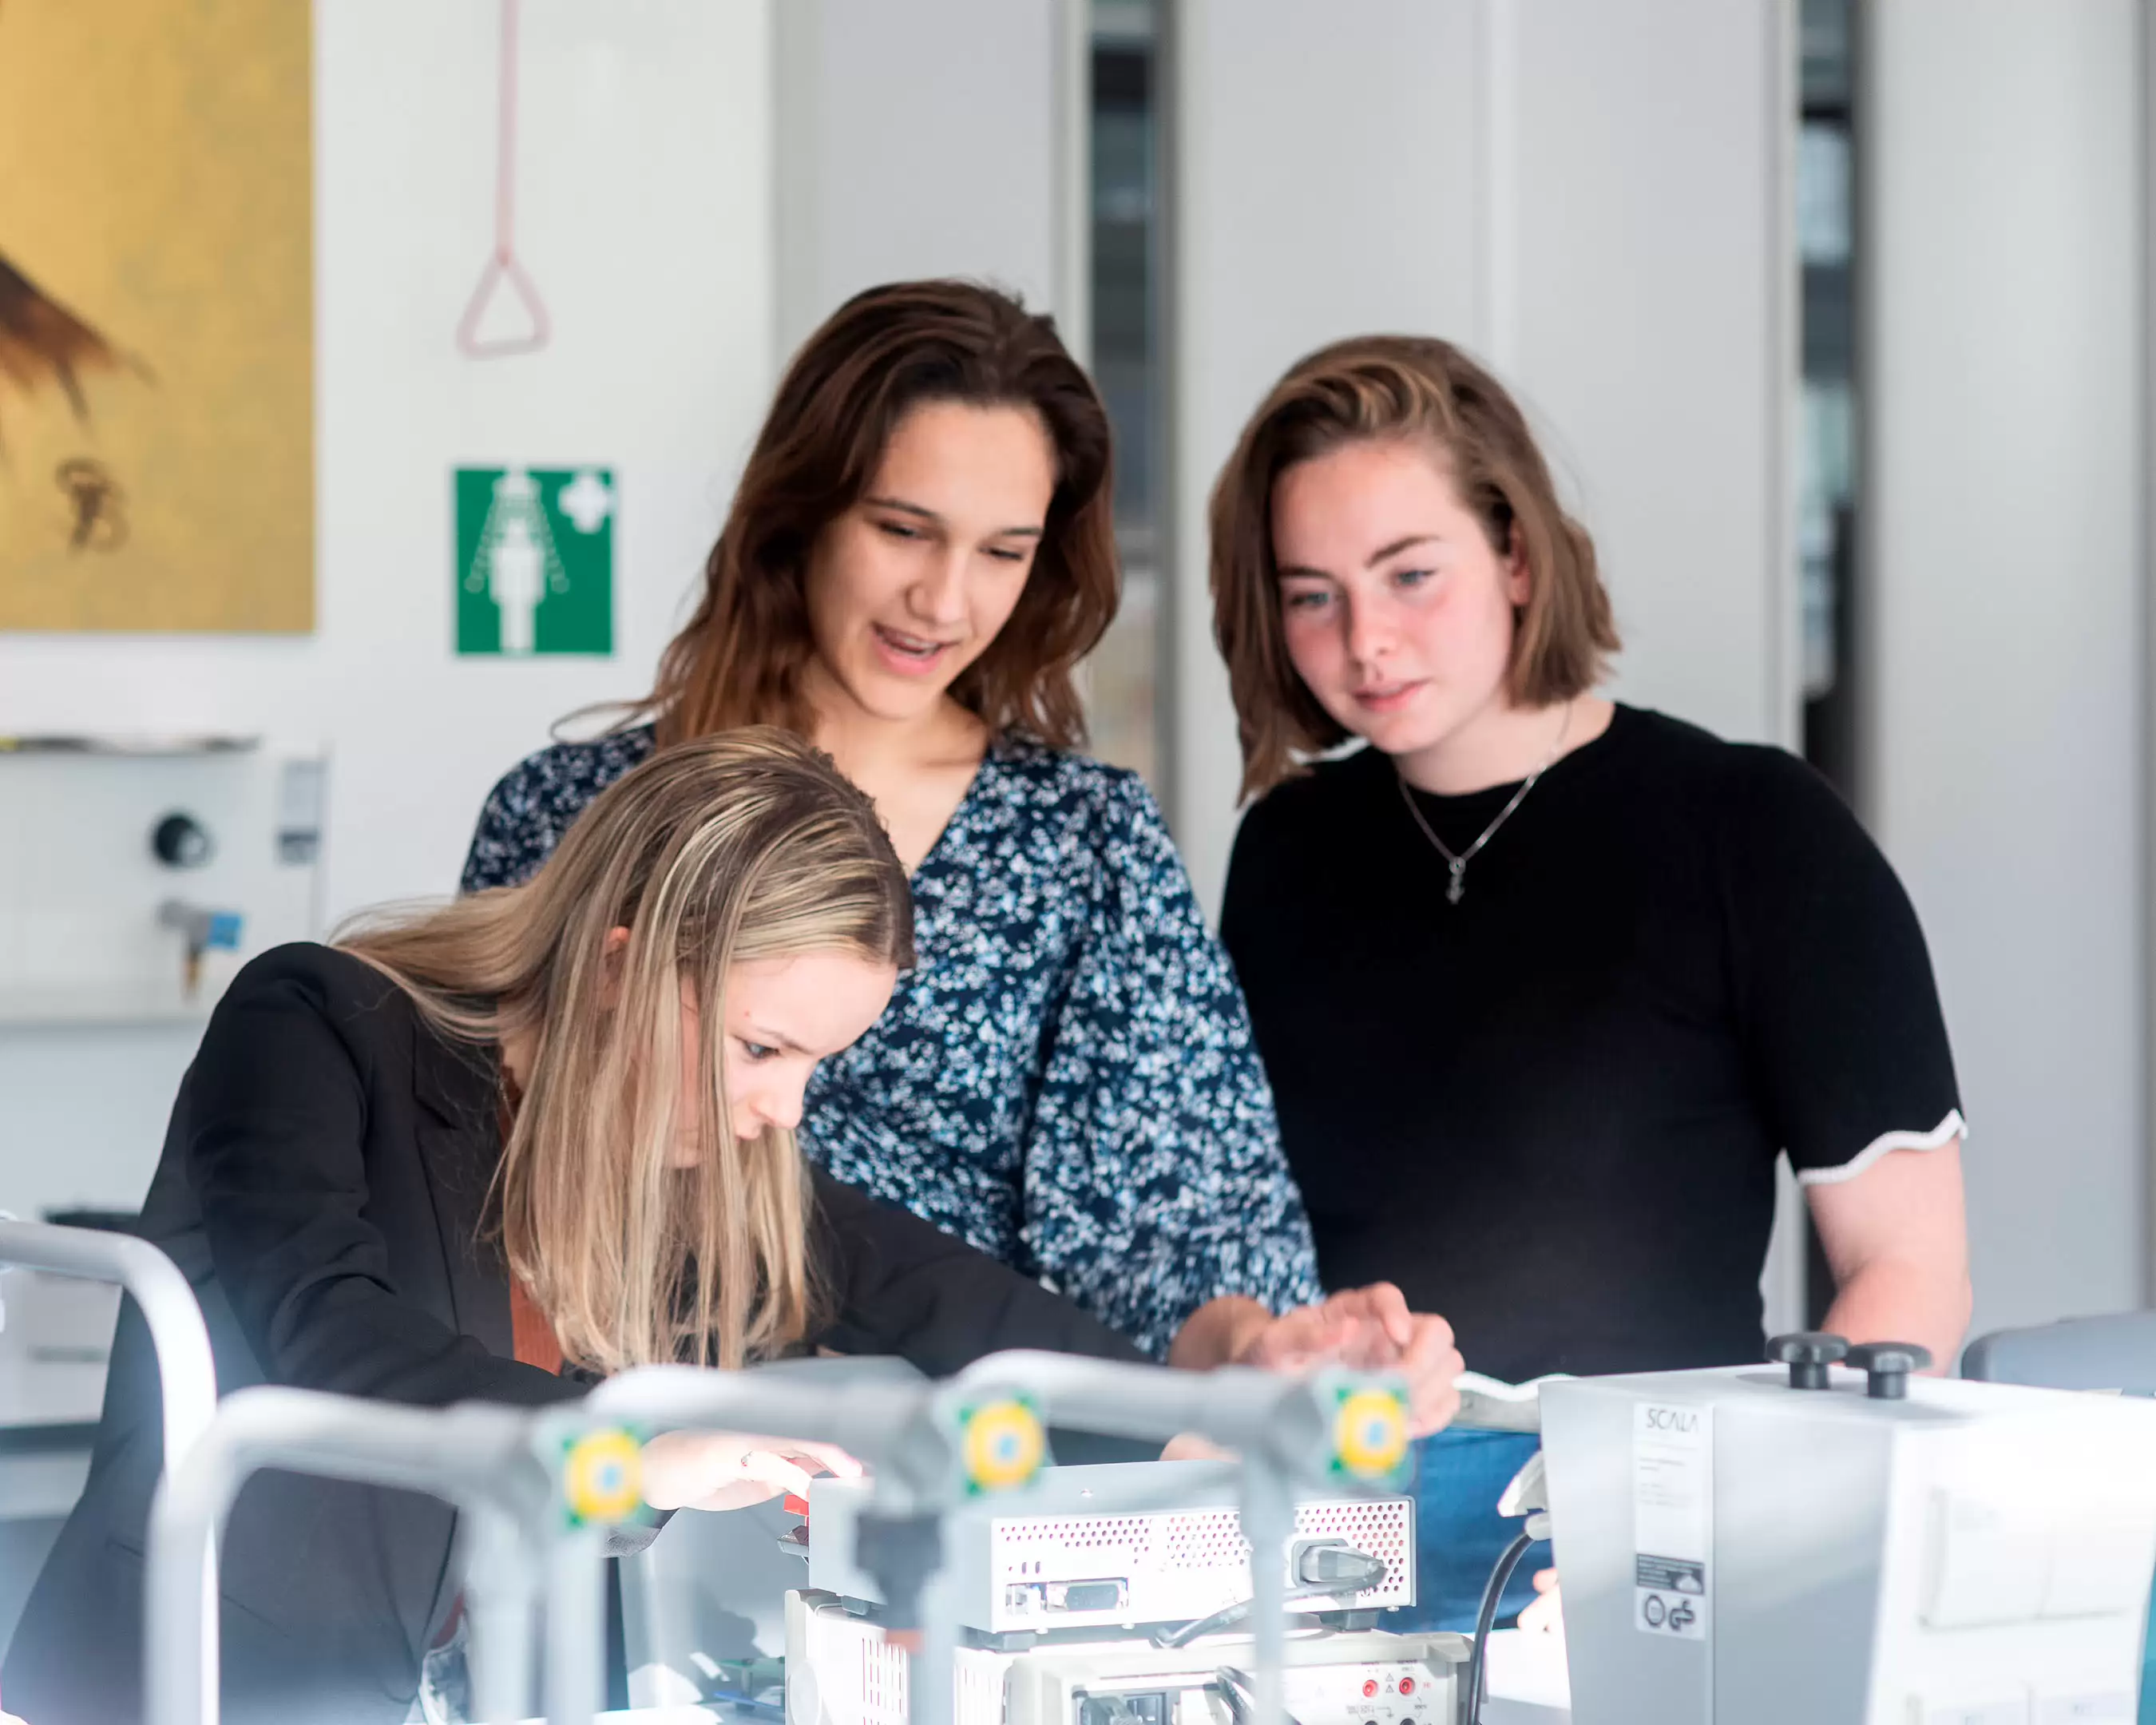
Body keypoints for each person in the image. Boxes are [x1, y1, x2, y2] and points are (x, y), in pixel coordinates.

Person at [7, 731, 1443, 1725]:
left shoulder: (682, 1157)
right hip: (189, 1676)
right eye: (763, 1048)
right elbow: (330, 1333)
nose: (781, 1110)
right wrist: (632, 1444)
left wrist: (1186, 1422)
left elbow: (925, 1290)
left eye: (815, 1066)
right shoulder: (319, 1023)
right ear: (623, 969)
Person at [462, 280, 1458, 1385]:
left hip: (967, 1454)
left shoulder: (1084, 844)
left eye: (1003, 551)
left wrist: (1257, 1348)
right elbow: (475, 1182)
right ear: (801, 513)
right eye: (904, 530)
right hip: (621, 1446)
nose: (943, 600)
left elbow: (1174, 1239)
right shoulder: (563, 812)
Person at [1207, 335, 1972, 1631]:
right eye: (1312, 595)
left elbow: (1914, 1271)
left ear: (1516, 555)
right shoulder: (1284, 853)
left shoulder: (1753, 829)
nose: (1367, 641)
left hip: (1667, 1525)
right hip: (1340, 1546)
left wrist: (1735, 1530)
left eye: (1411, 575)